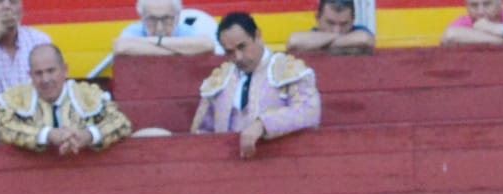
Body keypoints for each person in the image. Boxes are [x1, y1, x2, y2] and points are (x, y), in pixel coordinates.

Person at [192, 13, 320, 159]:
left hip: (280, 164)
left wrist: (263, 124)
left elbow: (309, 111)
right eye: (229, 51)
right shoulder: (220, 80)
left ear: (258, 35)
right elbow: (201, 133)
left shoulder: (287, 69)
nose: (238, 57)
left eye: (242, 46)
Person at [0, 44, 133, 153]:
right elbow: (2, 127)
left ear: (65, 70)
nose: (45, 79)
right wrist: (47, 135)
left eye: (51, 71)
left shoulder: (88, 95)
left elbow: (121, 123)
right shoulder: (18, 98)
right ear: (30, 75)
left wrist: (89, 135)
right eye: (38, 73)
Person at [112, 0, 219, 58]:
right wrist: (181, 51)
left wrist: (155, 42)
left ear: (177, 17)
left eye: (166, 19)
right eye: (152, 19)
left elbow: (208, 45)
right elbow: (120, 47)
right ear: (142, 18)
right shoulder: (135, 30)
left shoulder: (185, 30)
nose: (159, 27)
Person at [286, 0, 376, 56]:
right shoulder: (312, 35)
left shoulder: (358, 31)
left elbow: (366, 39)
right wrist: (344, 41)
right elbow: (293, 41)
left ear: (353, 20)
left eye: (344, 24)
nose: (337, 30)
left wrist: (321, 44)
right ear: (317, 18)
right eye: (330, 23)